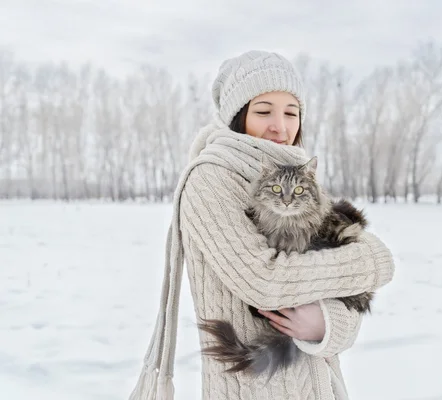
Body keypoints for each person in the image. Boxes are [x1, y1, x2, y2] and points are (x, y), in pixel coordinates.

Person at [128, 50, 396, 400]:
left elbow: (348, 292)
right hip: (253, 389)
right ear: (238, 116)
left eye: (291, 112)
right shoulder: (212, 179)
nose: (280, 126)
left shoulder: (298, 177)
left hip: (319, 385)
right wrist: (370, 262)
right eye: (264, 110)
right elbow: (266, 280)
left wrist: (326, 322)